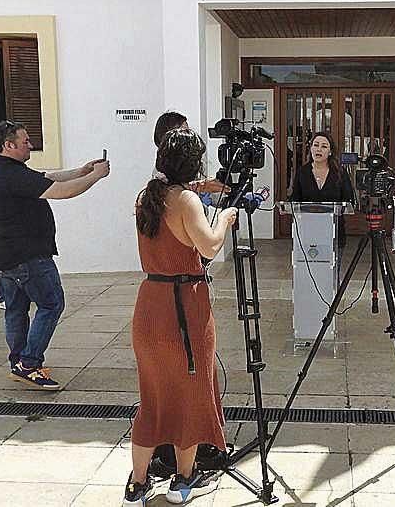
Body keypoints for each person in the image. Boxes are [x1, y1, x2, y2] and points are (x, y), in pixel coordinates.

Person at [124, 128, 237, 506]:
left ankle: (137, 485)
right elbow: (208, 245)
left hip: (150, 305)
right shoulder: (187, 200)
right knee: (190, 396)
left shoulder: (147, 198)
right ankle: (182, 479)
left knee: (152, 399)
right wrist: (226, 219)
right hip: (184, 307)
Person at [0, 120, 109, 390]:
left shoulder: (2, 171)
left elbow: (48, 177)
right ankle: (29, 364)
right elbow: (62, 192)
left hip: (6, 256)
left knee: (16, 310)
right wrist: (95, 177)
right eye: (25, 141)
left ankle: (19, 361)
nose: (30, 144)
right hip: (28, 256)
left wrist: (82, 170)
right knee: (51, 304)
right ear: (8, 145)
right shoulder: (12, 174)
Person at [290, 132, 355, 247]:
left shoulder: (340, 173)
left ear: (330, 152)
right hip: (307, 230)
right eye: (315, 145)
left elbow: (349, 201)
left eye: (324, 146)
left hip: (334, 231)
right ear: (311, 148)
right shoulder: (302, 172)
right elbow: (294, 200)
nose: (318, 149)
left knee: (332, 264)